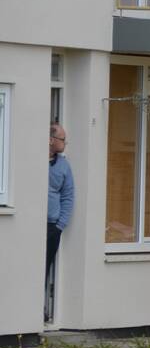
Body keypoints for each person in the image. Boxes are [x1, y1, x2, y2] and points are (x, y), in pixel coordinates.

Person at [46, 123, 74, 322]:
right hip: (31, 226)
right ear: (50, 139)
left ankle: (41, 310)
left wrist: (59, 226)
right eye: (62, 139)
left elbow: (68, 196)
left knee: (45, 268)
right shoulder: (36, 159)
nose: (65, 143)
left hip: (51, 227)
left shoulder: (64, 166)